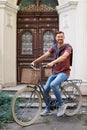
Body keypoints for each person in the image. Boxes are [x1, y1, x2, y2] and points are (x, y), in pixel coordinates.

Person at [31, 31, 72, 117]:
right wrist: (35, 61)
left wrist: (53, 62)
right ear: (55, 38)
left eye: (61, 36)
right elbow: (45, 55)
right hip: (55, 72)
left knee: (53, 85)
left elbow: (64, 57)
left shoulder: (68, 47)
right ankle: (48, 108)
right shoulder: (54, 47)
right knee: (45, 90)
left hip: (64, 72)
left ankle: (61, 105)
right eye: (58, 37)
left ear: (64, 37)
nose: (60, 38)